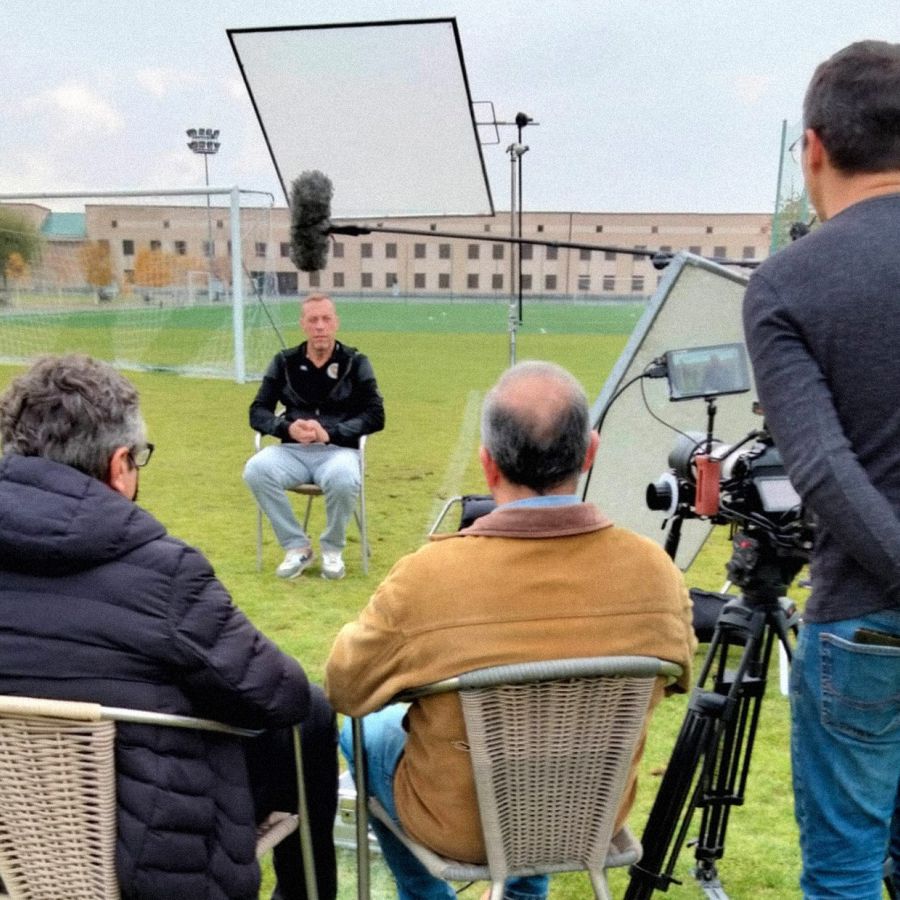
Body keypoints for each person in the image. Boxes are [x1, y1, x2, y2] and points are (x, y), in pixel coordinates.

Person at [325, 360, 696, 900]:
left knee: (374, 730)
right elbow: (679, 675)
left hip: (459, 828)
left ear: (488, 464)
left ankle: (426, 894)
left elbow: (344, 689)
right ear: (590, 452)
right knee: (549, 740)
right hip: (586, 816)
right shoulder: (656, 573)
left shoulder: (428, 577)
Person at [0, 354, 338, 900]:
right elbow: (281, 696)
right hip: (156, 855)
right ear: (119, 466)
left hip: (15, 842)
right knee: (313, 715)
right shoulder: (163, 572)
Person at [742, 40, 900, 900]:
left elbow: (822, 468)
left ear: (815, 147)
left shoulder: (785, 285)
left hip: (864, 623)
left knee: (843, 876)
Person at [244, 293, 385, 581]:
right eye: (313, 320)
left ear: (336, 323)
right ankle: (297, 546)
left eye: (326, 319)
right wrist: (286, 429)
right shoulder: (284, 362)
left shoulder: (356, 362)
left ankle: (333, 550)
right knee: (255, 469)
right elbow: (257, 411)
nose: (320, 326)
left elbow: (375, 415)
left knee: (344, 478)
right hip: (293, 453)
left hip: (339, 451)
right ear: (303, 325)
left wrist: (330, 433)